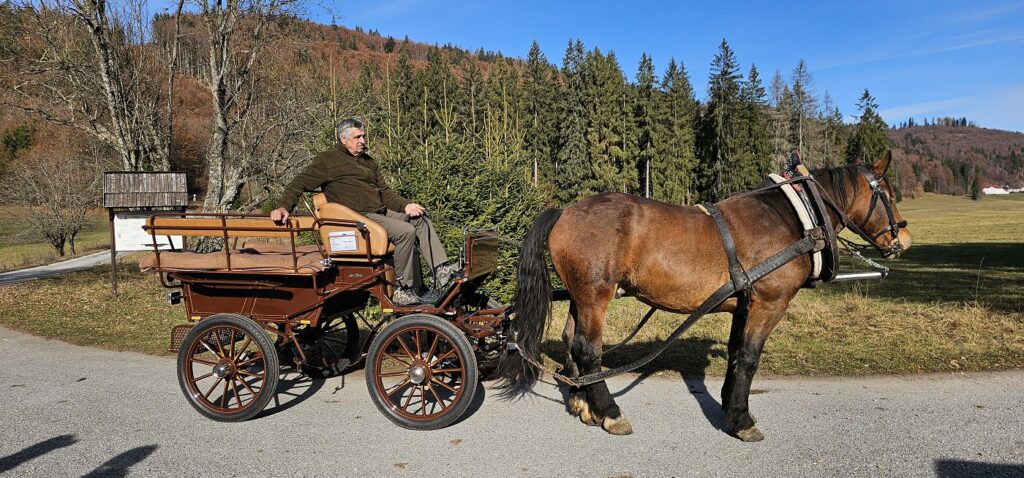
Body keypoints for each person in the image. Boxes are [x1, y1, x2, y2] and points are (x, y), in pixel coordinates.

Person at [270, 118, 457, 305]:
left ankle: (440, 270)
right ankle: (403, 290)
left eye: (363, 136)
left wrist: (406, 205)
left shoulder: (368, 162)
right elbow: (299, 182)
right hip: (357, 217)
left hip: (379, 212)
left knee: (419, 219)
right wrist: (283, 206)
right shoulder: (328, 160)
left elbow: (385, 192)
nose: (363, 141)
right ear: (344, 139)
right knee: (405, 232)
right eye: (357, 137)